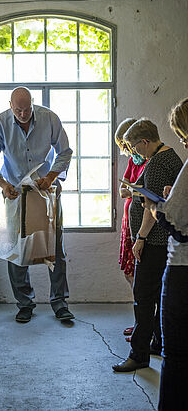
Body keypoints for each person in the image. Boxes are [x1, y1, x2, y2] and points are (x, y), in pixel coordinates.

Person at [0, 87, 75, 323]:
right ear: (10, 106)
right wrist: (2, 183)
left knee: (55, 249)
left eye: (27, 109)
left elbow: (65, 152)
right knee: (17, 252)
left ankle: (59, 303)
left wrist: (51, 176)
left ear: (33, 104)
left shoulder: (50, 118)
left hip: (46, 190)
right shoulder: (0, 123)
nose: (23, 114)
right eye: (18, 110)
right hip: (15, 192)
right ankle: (24, 304)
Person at [112, 118, 183, 372]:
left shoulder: (158, 163)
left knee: (142, 296)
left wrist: (139, 238)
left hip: (154, 241)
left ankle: (138, 354)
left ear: (145, 142)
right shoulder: (170, 157)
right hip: (162, 241)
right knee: (154, 295)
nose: (134, 153)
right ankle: (157, 343)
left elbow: (150, 209)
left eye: (134, 147)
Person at [143, 98, 188, 410]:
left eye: (183, 135)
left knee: (175, 355)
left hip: (183, 267)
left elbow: (177, 223)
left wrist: (156, 207)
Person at [115, 118, 146, 338]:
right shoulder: (133, 162)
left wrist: (131, 192)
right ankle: (140, 321)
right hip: (129, 220)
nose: (126, 152)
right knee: (129, 272)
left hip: (141, 222)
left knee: (140, 274)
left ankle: (144, 323)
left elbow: (142, 193)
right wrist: (125, 190)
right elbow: (123, 186)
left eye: (126, 147)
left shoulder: (149, 162)